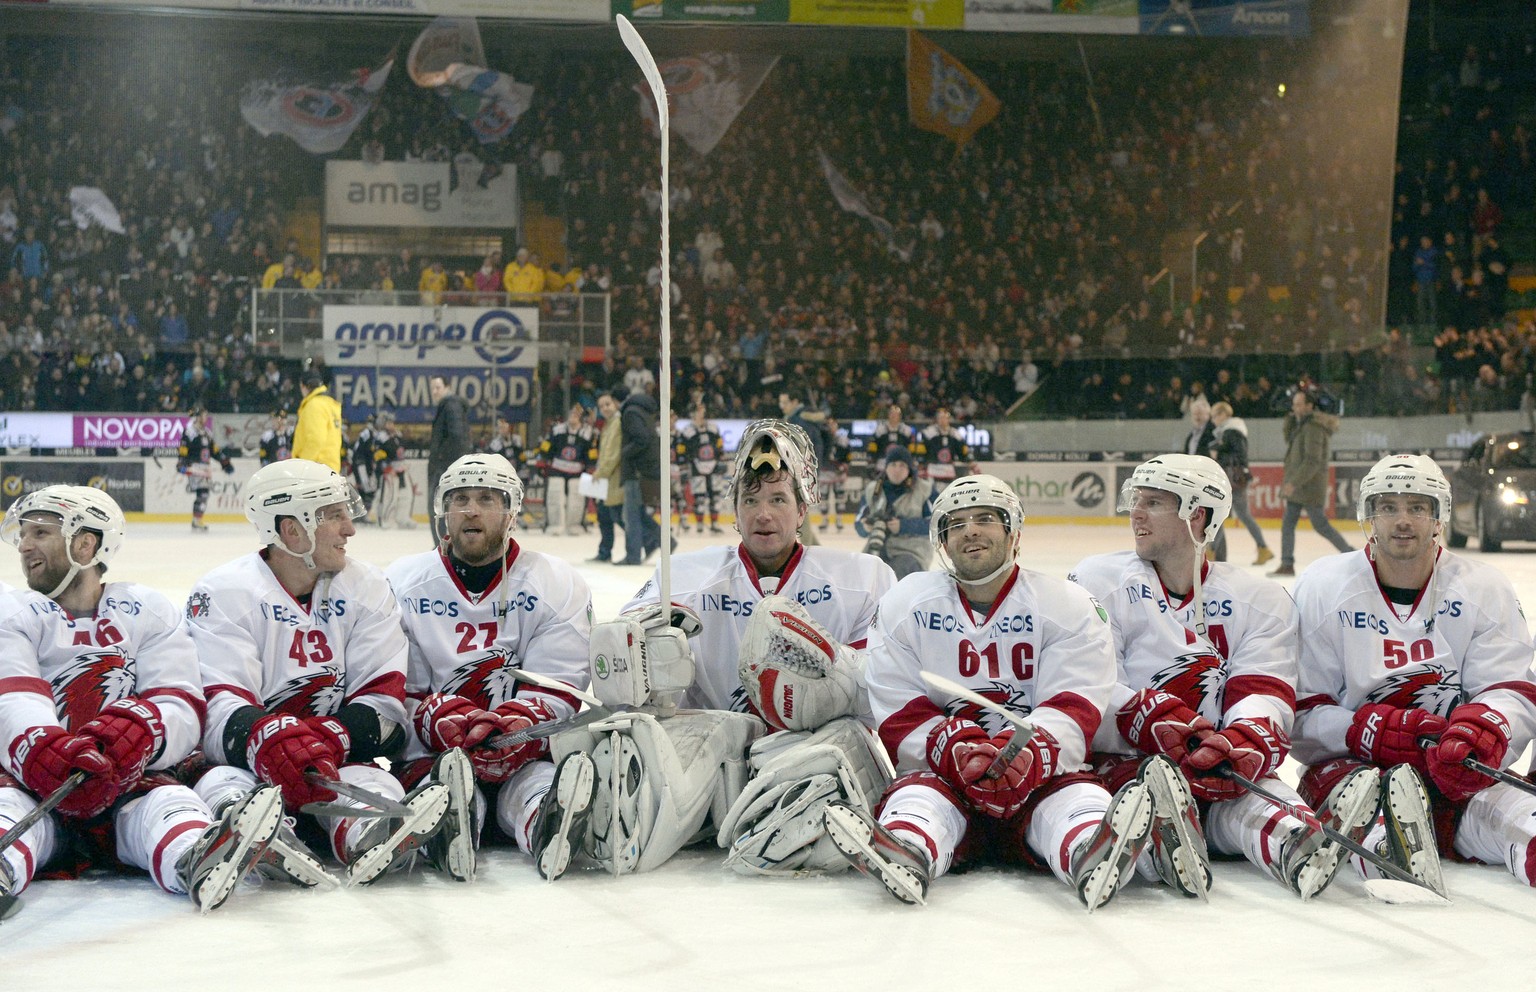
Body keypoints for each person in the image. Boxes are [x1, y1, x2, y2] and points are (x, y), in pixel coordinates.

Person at [543, 419, 897, 878]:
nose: (762, 515)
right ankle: (611, 815)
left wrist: (837, 678)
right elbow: (617, 654)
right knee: (647, 734)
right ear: (734, 509)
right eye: (749, 501)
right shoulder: (686, 577)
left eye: (777, 500)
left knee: (835, 749)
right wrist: (643, 649)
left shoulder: (861, 578)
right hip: (711, 752)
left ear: (802, 508)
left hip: (808, 747)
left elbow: (889, 684)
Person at [823, 475, 1157, 910]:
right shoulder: (907, 605)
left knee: (1076, 797)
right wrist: (953, 748)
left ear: (1013, 532)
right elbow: (896, 702)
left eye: (985, 519)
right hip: (947, 777)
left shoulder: (1065, 604)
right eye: (956, 524)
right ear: (942, 541)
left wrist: (1028, 755)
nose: (971, 531)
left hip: (1043, 776)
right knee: (918, 797)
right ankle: (907, 848)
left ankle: (1090, 850)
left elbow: (1074, 701)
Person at [1069, 454, 1373, 901]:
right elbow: (1087, 686)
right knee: (1141, 792)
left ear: (1198, 514)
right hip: (1129, 759)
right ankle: (1160, 847)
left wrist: (1244, 741)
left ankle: (1296, 842)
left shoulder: (1260, 598)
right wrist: (1146, 717)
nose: (1135, 512)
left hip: (1216, 761)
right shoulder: (1099, 580)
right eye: (1137, 500)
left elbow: (1263, 687)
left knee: (1254, 792)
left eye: (1153, 502)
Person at [185, 459, 474, 886]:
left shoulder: (366, 586)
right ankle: (259, 833)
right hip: (249, 766)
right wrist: (271, 745)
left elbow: (384, 709)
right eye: (334, 515)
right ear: (292, 529)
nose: (350, 528)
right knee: (224, 784)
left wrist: (324, 741)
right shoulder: (224, 592)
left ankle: (365, 833)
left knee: (376, 784)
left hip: (335, 763)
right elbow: (217, 712)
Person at [0, 486, 282, 913]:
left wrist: (143, 733)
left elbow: (181, 701)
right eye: (24, 534)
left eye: (40, 533)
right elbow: (13, 695)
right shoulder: (12, 611)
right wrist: (47, 753)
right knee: (7, 808)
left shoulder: (145, 610)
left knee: (171, 803)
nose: (24, 545)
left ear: (85, 542)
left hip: (123, 781)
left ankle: (194, 860)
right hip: (35, 781)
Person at [1292, 454, 1536, 891]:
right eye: (1388, 507)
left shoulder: (1483, 587)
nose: (1402, 521)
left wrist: (1485, 730)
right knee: (1366, 811)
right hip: (1355, 768)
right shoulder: (1324, 585)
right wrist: (1362, 732)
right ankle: (1387, 847)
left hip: (1453, 768)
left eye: (1417, 507)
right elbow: (1301, 712)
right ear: (1369, 515)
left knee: (1520, 821)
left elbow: (1511, 691)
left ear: (1438, 515)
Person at [385, 454, 595, 880]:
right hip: (433, 753)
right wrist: (432, 718)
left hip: (522, 752)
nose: (472, 510)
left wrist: (518, 727)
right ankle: (452, 820)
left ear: (512, 511)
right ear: (444, 510)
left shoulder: (555, 582)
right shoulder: (401, 583)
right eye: (460, 498)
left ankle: (545, 822)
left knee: (536, 782)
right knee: (444, 783)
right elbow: (393, 693)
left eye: (486, 498)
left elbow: (560, 685)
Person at [1271, 387, 1352, 576]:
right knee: (1289, 523)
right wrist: (1290, 419)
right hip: (1302, 485)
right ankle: (1287, 563)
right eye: (1294, 404)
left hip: (1309, 485)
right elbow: (1289, 442)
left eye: (1299, 404)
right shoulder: (1301, 425)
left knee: (1320, 525)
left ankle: (1350, 554)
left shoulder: (1314, 428)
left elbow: (1312, 460)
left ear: (1309, 406)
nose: (1295, 408)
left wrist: (1294, 483)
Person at [854, 445, 935, 579]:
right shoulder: (873, 489)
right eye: (893, 464)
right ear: (886, 467)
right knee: (862, 573)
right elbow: (859, 524)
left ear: (909, 469)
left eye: (902, 465)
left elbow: (935, 525)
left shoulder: (924, 490)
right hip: (878, 547)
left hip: (912, 551)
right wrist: (865, 526)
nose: (897, 470)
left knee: (894, 575)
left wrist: (903, 526)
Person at [1208, 401, 1271, 565]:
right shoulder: (1231, 431)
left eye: (1215, 415)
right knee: (1242, 515)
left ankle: (1211, 551)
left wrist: (1217, 449)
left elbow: (1237, 453)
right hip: (1235, 479)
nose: (1213, 420)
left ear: (1223, 414)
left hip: (1232, 479)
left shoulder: (1231, 431)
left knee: (1220, 514)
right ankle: (1263, 548)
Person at [617, 380, 661, 566]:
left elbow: (641, 438)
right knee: (637, 512)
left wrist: (624, 453)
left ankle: (633, 555)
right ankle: (659, 541)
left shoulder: (630, 413)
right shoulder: (643, 411)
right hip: (644, 469)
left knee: (632, 515)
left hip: (636, 471)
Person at [536, 404, 595, 536]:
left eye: (577, 413)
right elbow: (546, 446)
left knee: (577, 497)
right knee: (555, 494)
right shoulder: (557, 429)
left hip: (577, 471)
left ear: (582, 417)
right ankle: (554, 525)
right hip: (557, 468)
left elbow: (591, 452)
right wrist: (542, 461)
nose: (573, 415)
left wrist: (591, 466)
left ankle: (575, 525)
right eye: (572, 412)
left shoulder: (588, 432)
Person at [427, 374, 471, 541]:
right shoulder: (448, 406)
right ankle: (444, 544)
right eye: (432, 388)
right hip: (447, 466)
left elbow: (457, 437)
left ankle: (442, 546)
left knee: (437, 507)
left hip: (445, 468)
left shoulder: (451, 406)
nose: (435, 392)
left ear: (447, 387)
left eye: (438, 387)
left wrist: (446, 464)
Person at [177, 407, 234, 531]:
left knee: (204, 493)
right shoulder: (190, 432)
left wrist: (224, 462)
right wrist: (181, 461)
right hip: (195, 467)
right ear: (197, 417)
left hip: (206, 468)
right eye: (203, 416)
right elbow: (183, 448)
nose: (205, 418)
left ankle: (196, 519)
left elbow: (214, 450)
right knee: (203, 492)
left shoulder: (207, 432)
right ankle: (197, 520)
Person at [589, 392, 624, 563]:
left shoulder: (617, 423)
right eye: (601, 406)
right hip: (605, 479)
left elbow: (613, 454)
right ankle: (604, 552)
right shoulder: (608, 424)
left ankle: (644, 543)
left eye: (607, 404)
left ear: (615, 404)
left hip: (612, 478)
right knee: (604, 516)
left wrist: (601, 472)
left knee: (616, 516)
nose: (605, 408)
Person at [683, 403, 725, 534]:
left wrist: (719, 458)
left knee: (716, 496)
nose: (702, 414)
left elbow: (719, 446)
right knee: (699, 498)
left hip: (713, 466)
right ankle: (700, 524)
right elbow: (684, 451)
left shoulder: (713, 428)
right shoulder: (687, 431)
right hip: (697, 467)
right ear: (693, 414)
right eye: (699, 411)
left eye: (703, 410)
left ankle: (715, 523)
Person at [372, 410, 417, 529]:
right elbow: (378, 456)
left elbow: (400, 451)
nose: (391, 425)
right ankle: (384, 519)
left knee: (406, 495)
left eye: (392, 422)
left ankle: (403, 518)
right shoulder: (380, 438)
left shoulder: (396, 435)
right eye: (388, 423)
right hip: (389, 472)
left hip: (401, 470)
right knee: (389, 497)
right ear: (382, 424)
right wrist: (387, 467)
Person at [293, 369, 343, 472]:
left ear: (303, 386)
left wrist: (302, 466)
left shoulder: (314, 405)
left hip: (316, 469)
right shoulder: (330, 404)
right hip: (330, 466)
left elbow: (316, 439)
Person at [920, 407, 971, 493]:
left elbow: (963, 451)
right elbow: (922, 450)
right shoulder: (928, 433)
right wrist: (922, 463)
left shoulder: (955, 434)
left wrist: (969, 460)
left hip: (949, 471)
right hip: (933, 470)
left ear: (948, 419)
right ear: (937, 419)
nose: (942, 420)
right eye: (940, 417)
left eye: (945, 417)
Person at [818, 416, 851, 531]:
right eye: (828, 424)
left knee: (840, 498)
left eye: (833, 424)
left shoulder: (843, 439)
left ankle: (839, 520)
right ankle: (824, 520)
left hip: (838, 471)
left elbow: (848, 455)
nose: (831, 426)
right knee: (823, 498)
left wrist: (844, 465)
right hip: (825, 471)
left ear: (837, 425)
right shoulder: (821, 438)